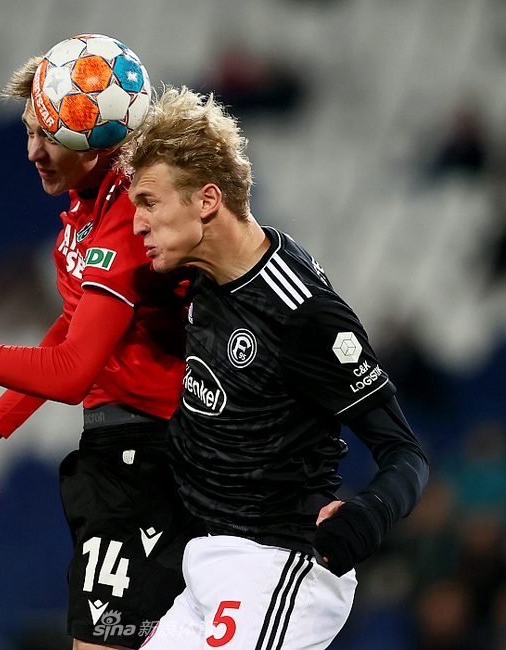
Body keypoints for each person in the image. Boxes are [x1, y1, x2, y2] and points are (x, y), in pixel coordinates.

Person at [0, 52, 200, 650]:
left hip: (147, 461)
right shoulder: (86, 217)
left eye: (48, 135)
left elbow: (70, 373)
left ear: (96, 136)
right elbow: (71, 327)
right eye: (29, 132)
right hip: (135, 456)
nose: (32, 151)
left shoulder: (130, 218)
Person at [119, 87, 429, 649]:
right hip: (206, 563)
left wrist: (368, 515)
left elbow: (406, 453)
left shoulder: (304, 314)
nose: (137, 222)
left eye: (148, 202)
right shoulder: (198, 277)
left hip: (279, 565)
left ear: (207, 200)